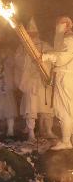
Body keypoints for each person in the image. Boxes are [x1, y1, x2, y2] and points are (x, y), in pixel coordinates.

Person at [14, 18, 56, 141]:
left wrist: (43, 61)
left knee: (46, 107)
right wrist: (28, 59)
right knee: (30, 108)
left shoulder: (45, 45)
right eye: (29, 34)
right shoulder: (22, 47)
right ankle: (31, 132)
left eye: (33, 33)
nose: (32, 35)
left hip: (43, 81)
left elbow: (52, 59)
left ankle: (48, 130)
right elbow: (18, 62)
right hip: (30, 82)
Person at [42, 16, 73, 150]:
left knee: (67, 109)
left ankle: (67, 141)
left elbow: (63, 57)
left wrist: (47, 56)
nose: (57, 26)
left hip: (67, 77)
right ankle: (66, 140)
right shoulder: (62, 39)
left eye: (60, 23)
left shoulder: (69, 39)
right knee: (62, 110)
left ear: (67, 25)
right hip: (61, 76)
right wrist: (48, 54)